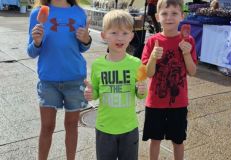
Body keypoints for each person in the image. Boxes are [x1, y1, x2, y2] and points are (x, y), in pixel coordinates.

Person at [27, 0, 92, 159]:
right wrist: (36, 42)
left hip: (75, 78)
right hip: (49, 79)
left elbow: (82, 47)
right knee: (47, 127)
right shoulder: (37, 13)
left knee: (71, 126)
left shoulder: (79, 12)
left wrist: (86, 39)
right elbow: (31, 52)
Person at [84, 10, 147, 160]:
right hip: (104, 128)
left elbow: (141, 94)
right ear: (104, 35)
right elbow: (96, 93)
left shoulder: (137, 63)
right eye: (114, 33)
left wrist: (142, 90)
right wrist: (90, 94)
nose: (120, 37)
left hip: (129, 127)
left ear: (131, 36)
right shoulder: (98, 65)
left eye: (125, 33)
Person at [141, 0, 197, 160]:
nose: (169, 17)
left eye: (174, 13)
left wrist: (186, 54)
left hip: (178, 102)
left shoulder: (189, 41)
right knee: (155, 139)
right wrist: (153, 57)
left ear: (182, 16)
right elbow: (148, 73)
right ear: (158, 17)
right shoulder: (152, 41)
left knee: (178, 140)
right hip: (155, 102)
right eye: (164, 13)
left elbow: (192, 72)